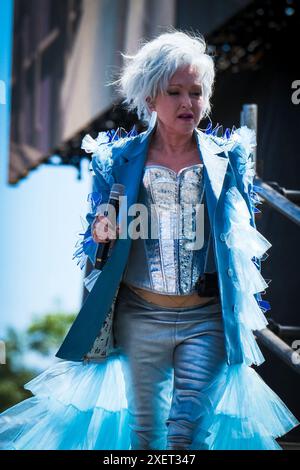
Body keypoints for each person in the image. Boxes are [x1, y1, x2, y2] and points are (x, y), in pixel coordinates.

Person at [0, 30, 299, 450]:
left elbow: (243, 239)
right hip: (140, 315)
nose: (186, 103)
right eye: (174, 92)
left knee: (187, 435)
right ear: (150, 98)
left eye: (196, 92)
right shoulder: (116, 160)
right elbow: (96, 238)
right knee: (147, 437)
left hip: (206, 319)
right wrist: (98, 231)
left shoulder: (228, 158)